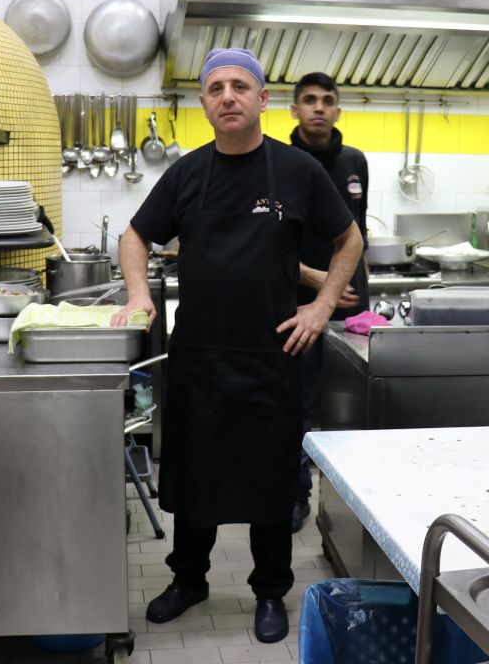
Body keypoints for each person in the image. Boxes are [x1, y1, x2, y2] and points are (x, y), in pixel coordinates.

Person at [112, 48, 363, 644]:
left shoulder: (297, 171)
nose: (228, 96)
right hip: (197, 354)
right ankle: (189, 579)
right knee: (196, 473)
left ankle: (270, 590)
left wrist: (322, 305)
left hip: (271, 354)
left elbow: (349, 237)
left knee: (270, 479)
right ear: (203, 103)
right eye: (217, 88)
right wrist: (140, 294)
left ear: (262, 100)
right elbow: (134, 235)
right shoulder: (187, 173)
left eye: (240, 87)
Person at [288, 72, 369, 534]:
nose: (319, 108)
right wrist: (320, 284)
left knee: (349, 410)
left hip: (352, 313)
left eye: (327, 101)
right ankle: (298, 494)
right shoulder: (279, 162)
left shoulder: (355, 162)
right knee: (300, 405)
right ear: (294, 110)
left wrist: (362, 292)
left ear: (337, 110)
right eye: (309, 101)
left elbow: (358, 235)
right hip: (298, 306)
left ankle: (347, 507)